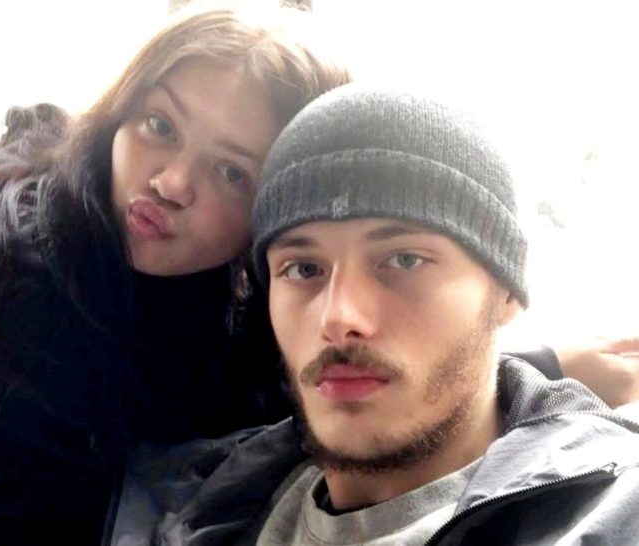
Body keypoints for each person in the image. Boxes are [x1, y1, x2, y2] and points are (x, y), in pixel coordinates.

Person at [125, 85, 639, 546]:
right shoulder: (184, 496)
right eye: (304, 268)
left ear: (506, 291)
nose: (339, 316)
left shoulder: (608, 513)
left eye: (404, 260)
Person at [0, 3, 351, 544]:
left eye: (231, 172)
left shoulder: (222, 288)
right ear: (123, 109)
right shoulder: (20, 295)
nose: (170, 183)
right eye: (160, 125)